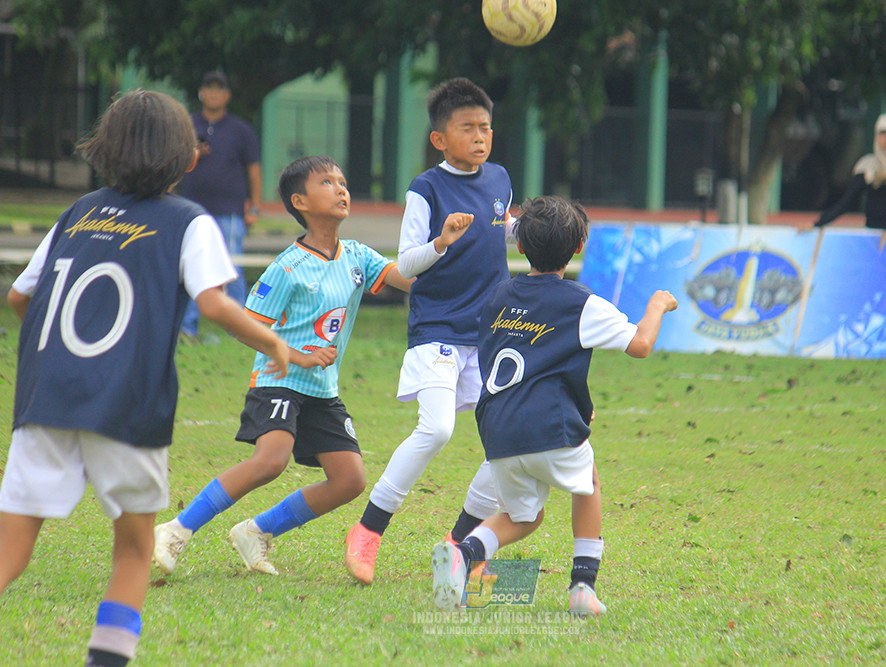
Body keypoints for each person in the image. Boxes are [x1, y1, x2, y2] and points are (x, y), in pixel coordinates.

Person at [0, 90, 288, 667]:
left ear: (103, 149)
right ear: (189, 159)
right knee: (133, 552)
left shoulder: (77, 212)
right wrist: (272, 340)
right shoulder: (188, 220)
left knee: (12, 549)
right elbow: (213, 303)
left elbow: (18, 296)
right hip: (126, 406)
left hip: (45, 397)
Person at [152, 156, 465, 577]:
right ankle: (176, 529)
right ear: (300, 201)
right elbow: (245, 325)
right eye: (327, 182)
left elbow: (411, 279)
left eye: (342, 181)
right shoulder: (288, 266)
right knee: (271, 460)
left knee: (350, 479)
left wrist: (441, 246)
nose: (341, 189)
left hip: (322, 389)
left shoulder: (358, 256)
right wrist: (296, 355)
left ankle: (257, 531)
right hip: (278, 381)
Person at [430, 196, 678, 616]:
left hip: (499, 431)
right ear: (579, 247)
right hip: (550, 426)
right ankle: (582, 586)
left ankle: (464, 552)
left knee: (524, 518)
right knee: (589, 484)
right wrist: (657, 305)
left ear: (521, 247)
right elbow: (640, 344)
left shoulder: (497, 296)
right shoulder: (581, 302)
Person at [344, 77, 517, 585]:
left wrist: (536, 230)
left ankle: (462, 544)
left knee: (508, 443)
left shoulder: (501, 177)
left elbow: (503, 224)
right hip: (438, 327)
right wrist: (441, 241)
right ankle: (368, 531)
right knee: (437, 428)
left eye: (486, 127)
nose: (480, 136)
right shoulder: (426, 188)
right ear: (440, 138)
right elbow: (408, 263)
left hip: (490, 332)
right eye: (468, 128)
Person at [178, 70, 264, 339]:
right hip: (191, 210)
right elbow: (173, 163)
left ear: (227, 95)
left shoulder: (240, 129)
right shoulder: (187, 125)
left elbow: (254, 170)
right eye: (209, 88)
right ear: (201, 93)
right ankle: (187, 329)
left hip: (229, 211)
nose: (214, 93)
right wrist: (193, 153)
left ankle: (240, 330)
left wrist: (255, 207)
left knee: (231, 269)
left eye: (219, 88)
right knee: (192, 268)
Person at [799, 112, 886, 238]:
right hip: (874, 235)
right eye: (883, 134)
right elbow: (847, 201)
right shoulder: (868, 165)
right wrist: (817, 223)